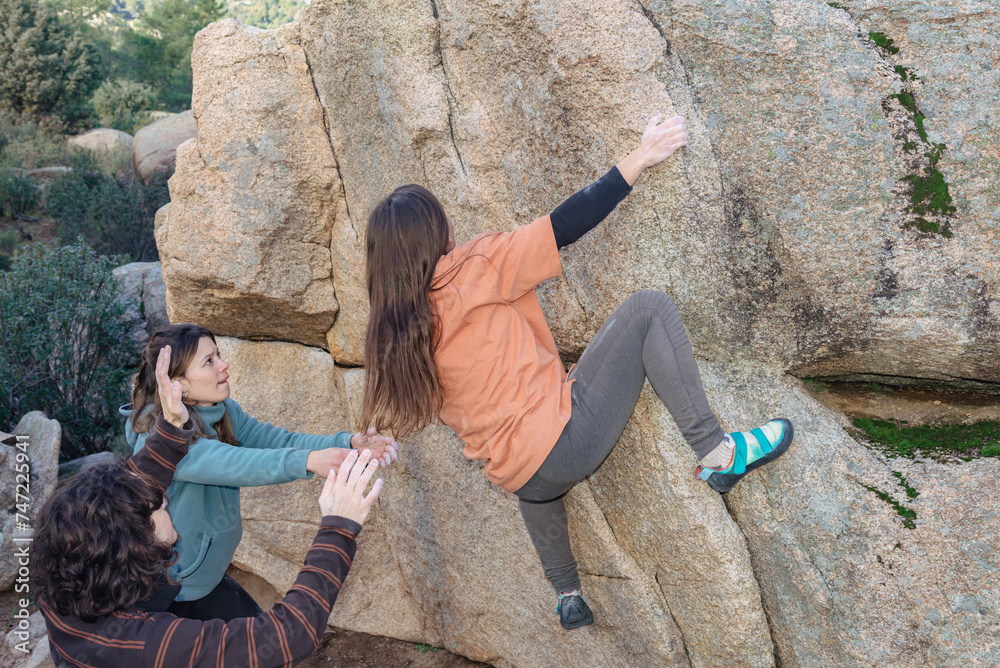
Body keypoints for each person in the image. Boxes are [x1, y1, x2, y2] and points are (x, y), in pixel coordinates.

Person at [360, 113, 794, 629]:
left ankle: (566, 592)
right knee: (649, 309)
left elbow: (384, 416)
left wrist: (363, 438)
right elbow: (565, 223)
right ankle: (719, 453)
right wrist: (643, 154)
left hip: (520, 477)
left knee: (530, 471)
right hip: (566, 444)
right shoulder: (475, 267)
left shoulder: (396, 330)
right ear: (439, 232)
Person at [33, 344, 383, 666]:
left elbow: (143, 479)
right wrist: (338, 527)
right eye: (157, 507)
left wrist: (171, 426)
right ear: (132, 543)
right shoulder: (148, 642)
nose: (164, 499)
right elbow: (284, 637)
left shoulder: (69, 585)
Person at [122, 323, 398, 621]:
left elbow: (276, 440)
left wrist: (348, 443)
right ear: (179, 384)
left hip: (204, 578)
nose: (224, 365)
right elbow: (237, 463)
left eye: (219, 355)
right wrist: (307, 461)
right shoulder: (161, 439)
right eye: (209, 361)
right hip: (172, 592)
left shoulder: (221, 410)